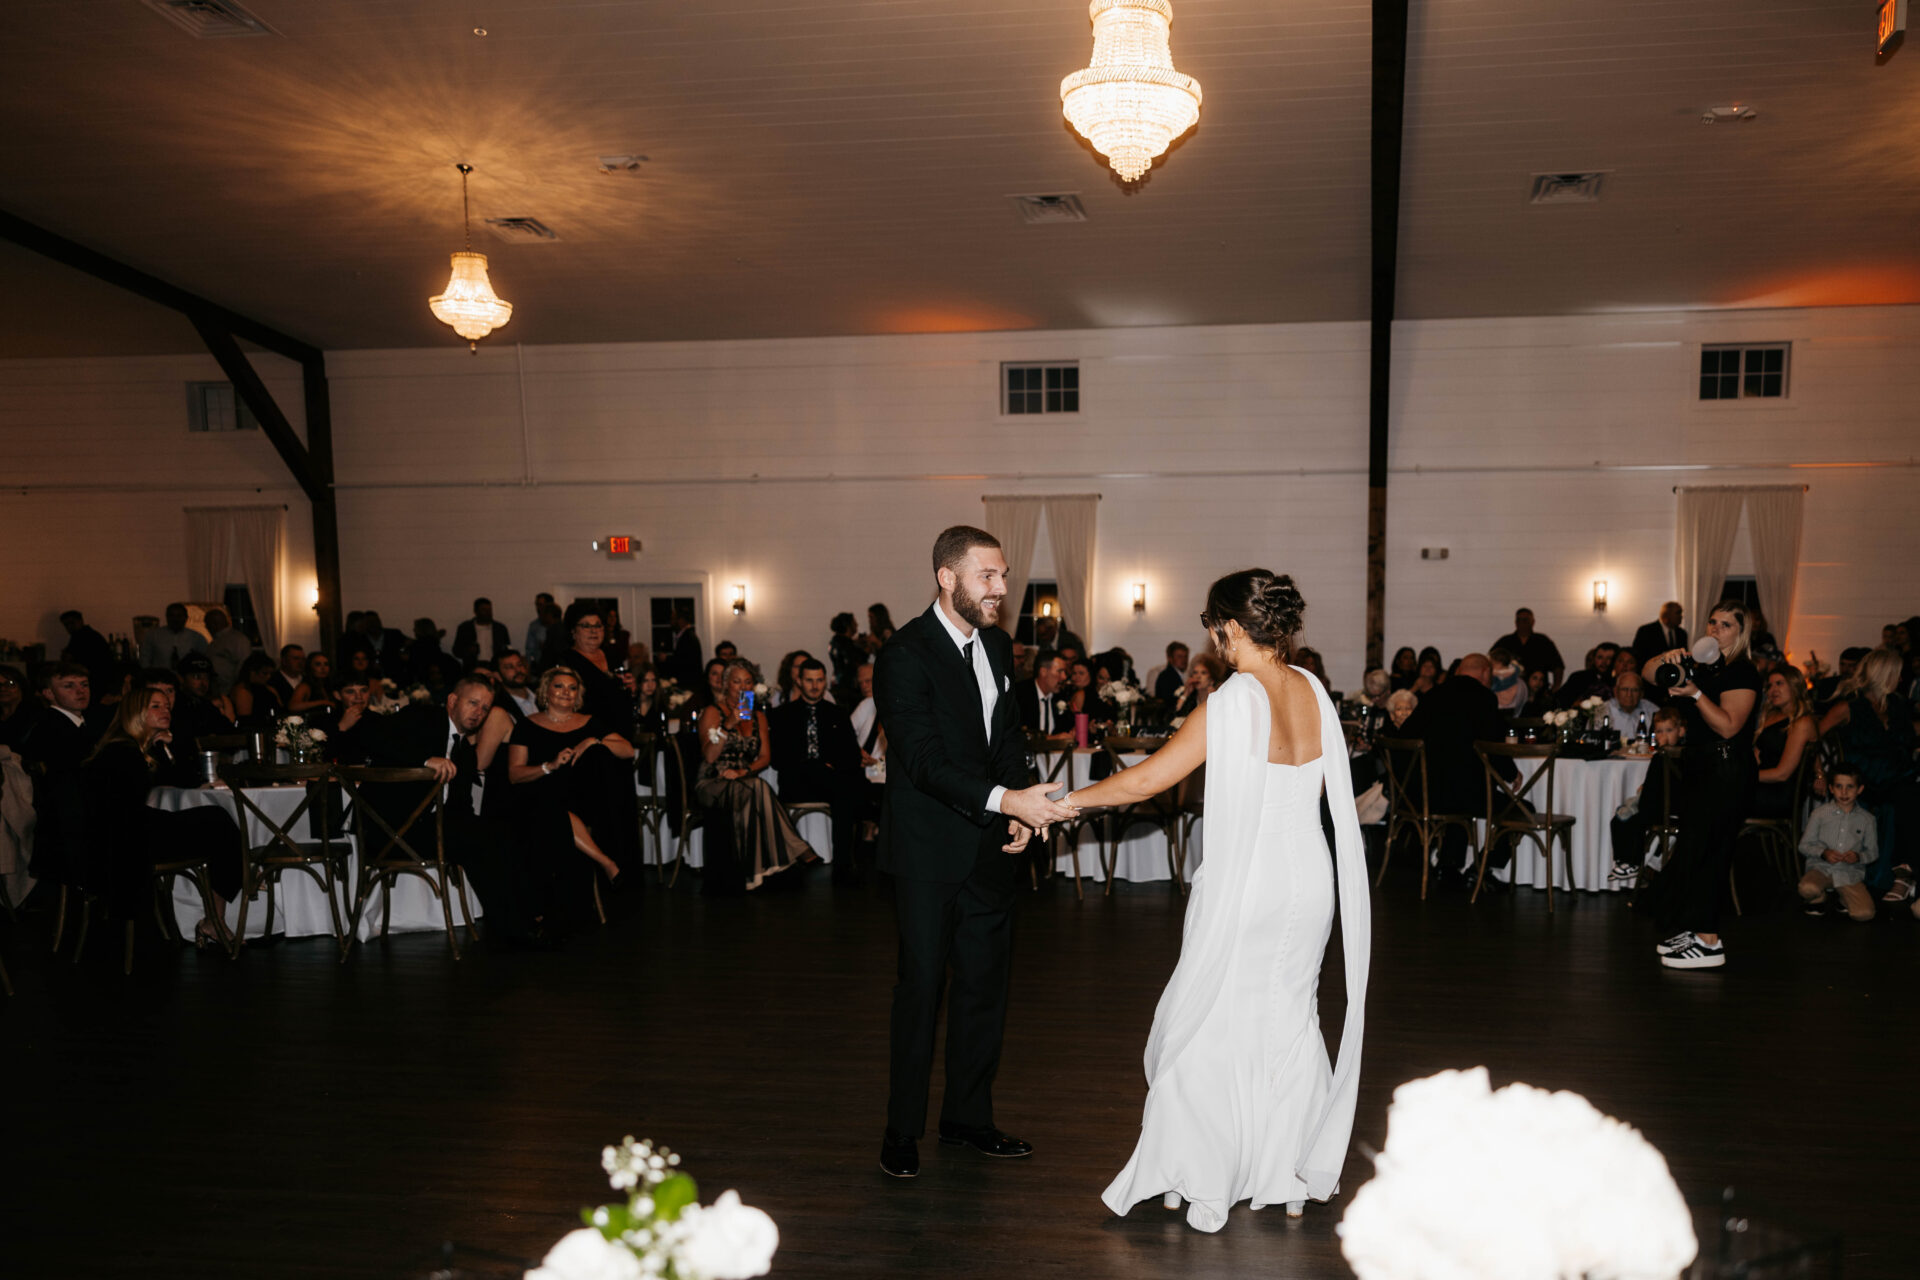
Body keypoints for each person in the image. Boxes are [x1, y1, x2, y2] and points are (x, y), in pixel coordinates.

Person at [1057, 569, 1367, 1232]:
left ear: (1227, 626)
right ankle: (1285, 1170)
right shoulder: (1314, 691)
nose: (1210, 638)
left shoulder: (1230, 701)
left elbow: (1143, 783)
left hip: (1250, 882)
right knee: (1289, 1018)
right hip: (1308, 881)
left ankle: (1200, 1174)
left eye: (1211, 624)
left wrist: (1062, 804)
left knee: (1209, 1022)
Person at [873, 525, 1075, 1181]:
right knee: (922, 991)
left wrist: (1016, 798)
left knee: (985, 991)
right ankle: (901, 1131)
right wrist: (1007, 801)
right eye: (988, 577)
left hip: (990, 850)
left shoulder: (995, 644)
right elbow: (925, 763)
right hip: (929, 855)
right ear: (947, 578)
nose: (1002, 589)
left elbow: (1005, 739)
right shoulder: (904, 654)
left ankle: (966, 1118)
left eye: (1004, 576)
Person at [359, 674, 556, 944]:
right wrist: (425, 760)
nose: (479, 713)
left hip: (433, 830)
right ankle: (515, 929)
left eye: (485, 708)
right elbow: (371, 735)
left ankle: (527, 919)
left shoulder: (464, 751)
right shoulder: (423, 717)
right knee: (480, 838)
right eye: (473, 703)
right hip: (392, 831)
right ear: (453, 700)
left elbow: (461, 808)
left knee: (505, 831)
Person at [1642, 600, 1762, 970]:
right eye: (1712, 622)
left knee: (1712, 853)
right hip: (1701, 769)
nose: (1715, 629)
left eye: (1726, 625)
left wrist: (1695, 694)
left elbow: (1728, 726)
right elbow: (1647, 672)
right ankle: (1696, 930)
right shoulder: (1702, 665)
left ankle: (1710, 942)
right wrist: (1669, 656)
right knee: (1695, 848)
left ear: (1741, 633)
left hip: (1726, 771)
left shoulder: (1741, 671)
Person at [83, 686, 243, 947]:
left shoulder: (135, 747)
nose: (165, 710)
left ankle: (216, 917)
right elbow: (125, 807)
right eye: (155, 706)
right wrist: (160, 753)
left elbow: (185, 779)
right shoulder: (122, 751)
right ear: (135, 712)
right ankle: (215, 918)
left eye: (167, 705)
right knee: (219, 823)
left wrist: (164, 749)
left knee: (218, 821)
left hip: (128, 831)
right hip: (124, 841)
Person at [506, 666, 639, 892]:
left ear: (578, 694)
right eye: (559, 686)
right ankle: (607, 863)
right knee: (550, 806)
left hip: (583, 797)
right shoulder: (526, 725)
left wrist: (593, 741)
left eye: (572, 688)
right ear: (546, 691)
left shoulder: (591, 722)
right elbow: (514, 774)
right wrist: (550, 766)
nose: (566, 692)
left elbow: (628, 750)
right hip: (539, 796)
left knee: (569, 799)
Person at [1394, 653, 1520, 890]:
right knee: (1520, 811)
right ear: (1485, 673)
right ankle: (1481, 867)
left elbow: (1405, 736)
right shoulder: (1484, 698)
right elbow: (1493, 747)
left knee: (1458, 791)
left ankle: (1448, 865)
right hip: (1463, 797)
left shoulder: (1433, 695)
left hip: (1421, 796)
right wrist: (1512, 774)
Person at [694, 659, 814, 894]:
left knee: (755, 787)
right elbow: (709, 756)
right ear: (727, 684)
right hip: (713, 780)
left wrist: (742, 772)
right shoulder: (712, 712)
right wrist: (728, 725)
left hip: (742, 779)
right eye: (737, 682)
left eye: (748, 682)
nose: (742, 687)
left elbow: (765, 757)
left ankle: (755, 873)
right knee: (757, 787)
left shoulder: (758, 716)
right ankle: (795, 849)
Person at [1817, 646, 1917, 898]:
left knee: (1910, 794)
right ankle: (1897, 875)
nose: (1902, 679)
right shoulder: (1849, 707)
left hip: (1898, 776)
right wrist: (1819, 774)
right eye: (1898, 673)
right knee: (1900, 802)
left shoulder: (1898, 705)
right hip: (1863, 781)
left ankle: (1905, 873)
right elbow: (1812, 739)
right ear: (1885, 674)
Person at [769, 658, 866, 882]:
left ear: (825, 682)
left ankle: (843, 864)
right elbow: (777, 758)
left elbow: (851, 754)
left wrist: (831, 765)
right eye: (810, 680)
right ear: (799, 681)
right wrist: (811, 765)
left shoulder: (837, 714)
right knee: (837, 782)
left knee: (846, 788)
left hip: (831, 782)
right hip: (796, 782)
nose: (815, 685)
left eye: (820, 680)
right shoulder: (782, 715)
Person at [1607, 707, 1686, 885]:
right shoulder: (1673, 755)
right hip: (1666, 806)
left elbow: (1653, 790)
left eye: (1669, 730)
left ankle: (1632, 862)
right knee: (1621, 817)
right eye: (1659, 731)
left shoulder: (1665, 756)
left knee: (1629, 819)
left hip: (1668, 809)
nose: (1663, 736)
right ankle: (1626, 862)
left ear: (1681, 731)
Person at [1796, 765, 1877, 921]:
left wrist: (1858, 857)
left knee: (1864, 914)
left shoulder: (1867, 820)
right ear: (1831, 788)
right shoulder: (1819, 814)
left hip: (1849, 874)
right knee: (1807, 888)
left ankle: (1844, 899)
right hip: (1821, 869)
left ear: (1859, 789)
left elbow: (1873, 852)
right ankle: (1817, 898)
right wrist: (1823, 852)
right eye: (1839, 786)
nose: (1844, 792)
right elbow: (1804, 845)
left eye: (1850, 787)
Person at [559, 602, 637, 740]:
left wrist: (632, 689)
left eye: (598, 625)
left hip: (622, 735)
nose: (593, 631)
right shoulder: (567, 662)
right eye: (586, 626)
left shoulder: (611, 656)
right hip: (589, 739)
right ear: (573, 631)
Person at [1753, 666, 1819, 819]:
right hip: (1762, 785)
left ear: (1794, 685)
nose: (1773, 690)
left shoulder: (1802, 722)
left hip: (1779, 793)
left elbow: (1782, 774)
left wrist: (1743, 776)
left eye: (1779, 683)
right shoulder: (1771, 716)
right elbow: (1756, 756)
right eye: (1769, 686)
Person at [1491, 609, 1564, 692]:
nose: (1522, 623)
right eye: (1519, 620)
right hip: (1510, 692)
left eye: (1525, 620)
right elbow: (1490, 663)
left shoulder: (1543, 642)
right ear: (1515, 622)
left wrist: (1555, 688)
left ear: (1532, 622)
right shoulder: (1505, 642)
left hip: (1538, 693)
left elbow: (1558, 667)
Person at [174, 654, 238, 740]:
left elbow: (229, 732)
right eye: (197, 677)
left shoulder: (205, 705)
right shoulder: (174, 705)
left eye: (207, 678)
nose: (203, 683)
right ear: (181, 678)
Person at [317, 671, 375, 765]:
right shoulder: (326, 721)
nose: (359, 696)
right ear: (338, 695)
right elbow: (325, 757)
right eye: (350, 691)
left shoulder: (379, 720)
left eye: (363, 690)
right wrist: (342, 727)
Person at [1013, 649, 1070, 734]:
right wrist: (1052, 739)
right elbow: (1019, 734)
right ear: (1043, 671)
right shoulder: (1020, 695)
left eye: (1065, 672)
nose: (1064, 677)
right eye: (1060, 671)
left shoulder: (1062, 696)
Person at [137, 603, 208, 671]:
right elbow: (144, 660)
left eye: (179, 616)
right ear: (167, 617)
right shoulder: (153, 635)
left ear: (186, 618)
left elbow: (204, 661)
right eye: (172, 616)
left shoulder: (196, 638)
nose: (175, 619)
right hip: (160, 678)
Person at [203, 608, 252, 695]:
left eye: (207, 624)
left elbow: (244, 665)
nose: (206, 627)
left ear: (214, 624)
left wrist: (237, 688)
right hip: (217, 689)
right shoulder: (215, 641)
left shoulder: (238, 639)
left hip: (231, 690)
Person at [453, 597, 512, 670]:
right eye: (484, 610)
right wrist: (467, 651)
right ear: (476, 611)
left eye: (489, 610)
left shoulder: (500, 629)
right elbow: (456, 651)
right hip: (473, 667)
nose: (488, 613)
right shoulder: (465, 628)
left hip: (495, 667)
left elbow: (507, 649)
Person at [231, 651, 285, 728]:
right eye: (264, 673)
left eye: (271, 674)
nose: (269, 677)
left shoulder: (269, 688)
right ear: (252, 672)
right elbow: (245, 721)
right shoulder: (243, 691)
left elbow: (281, 710)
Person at [58, 610, 117, 681]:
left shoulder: (80, 636)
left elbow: (68, 658)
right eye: (66, 625)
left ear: (80, 621)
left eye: (72, 623)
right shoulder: (90, 634)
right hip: (101, 677)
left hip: (94, 677)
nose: (69, 627)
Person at [1558, 644, 1618, 708]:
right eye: (1600, 657)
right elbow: (1562, 700)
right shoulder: (1578, 677)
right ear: (1594, 659)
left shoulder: (1618, 681)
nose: (1604, 662)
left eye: (1609, 658)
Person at [1171, 653, 1227, 719]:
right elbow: (1174, 715)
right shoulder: (1188, 694)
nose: (1198, 676)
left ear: (1212, 679)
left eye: (1203, 673)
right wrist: (1185, 694)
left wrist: (1214, 699)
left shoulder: (1219, 695)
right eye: (1195, 672)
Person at [829, 613, 868, 705]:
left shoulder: (835, 641)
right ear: (848, 625)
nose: (857, 625)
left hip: (838, 685)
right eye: (854, 623)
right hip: (848, 688)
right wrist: (867, 648)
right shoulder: (846, 644)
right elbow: (858, 660)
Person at [1604, 670, 1653, 741]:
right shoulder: (1603, 711)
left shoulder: (1652, 711)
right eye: (1624, 689)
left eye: (1634, 690)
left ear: (1641, 693)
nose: (1629, 694)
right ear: (1615, 691)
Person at [493, 650, 538, 723]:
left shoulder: (540, 693)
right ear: (498, 676)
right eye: (510, 667)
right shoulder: (500, 706)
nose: (518, 670)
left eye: (519, 664)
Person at [665, 608, 703, 688]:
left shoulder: (688, 637)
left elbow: (684, 661)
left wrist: (666, 659)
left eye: (673, 619)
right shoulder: (685, 636)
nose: (671, 622)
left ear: (681, 620)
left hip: (689, 684)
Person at [1489, 649, 1528, 716]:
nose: (1489, 665)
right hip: (1513, 715)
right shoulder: (1520, 681)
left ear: (1498, 663)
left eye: (1491, 663)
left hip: (1498, 713)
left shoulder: (1493, 678)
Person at [523, 593, 556, 663]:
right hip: (539, 665)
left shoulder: (558, 626)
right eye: (537, 605)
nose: (538, 608)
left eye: (541, 605)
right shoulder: (534, 625)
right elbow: (529, 649)